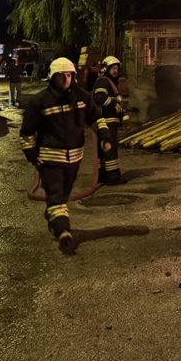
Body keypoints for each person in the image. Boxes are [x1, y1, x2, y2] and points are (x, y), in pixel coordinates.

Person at [19, 57, 110, 252]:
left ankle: (54, 217)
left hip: (75, 159)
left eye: (69, 75)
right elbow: (26, 133)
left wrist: (105, 137)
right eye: (61, 76)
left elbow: (97, 118)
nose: (66, 79)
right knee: (57, 196)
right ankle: (64, 233)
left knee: (63, 194)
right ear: (53, 78)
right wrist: (33, 156)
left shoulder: (82, 97)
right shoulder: (40, 102)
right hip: (50, 159)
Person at [92, 55, 127, 185]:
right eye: (113, 68)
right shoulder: (104, 81)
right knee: (110, 148)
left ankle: (103, 176)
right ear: (106, 69)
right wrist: (114, 103)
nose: (115, 71)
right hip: (107, 121)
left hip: (107, 120)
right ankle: (113, 178)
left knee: (103, 149)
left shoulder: (108, 82)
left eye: (117, 68)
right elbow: (99, 98)